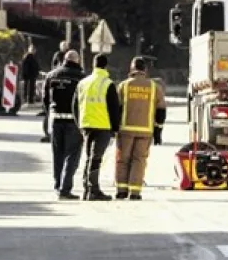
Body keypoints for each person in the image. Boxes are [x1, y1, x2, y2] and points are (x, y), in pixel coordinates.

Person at [114, 57, 167, 200]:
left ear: (132, 69)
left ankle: (121, 191)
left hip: (125, 130)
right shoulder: (154, 87)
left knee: (122, 160)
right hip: (145, 131)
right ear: (145, 70)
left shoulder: (123, 86)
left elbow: (116, 109)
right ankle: (135, 192)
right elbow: (161, 111)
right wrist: (158, 131)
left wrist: (114, 128)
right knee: (139, 160)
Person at [73, 53, 120, 201]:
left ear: (93, 65)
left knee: (89, 157)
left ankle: (87, 189)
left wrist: (79, 122)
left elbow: (74, 105)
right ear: (106, 66)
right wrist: (115, 128)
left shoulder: (83, 83)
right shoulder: (107, 83)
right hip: (102, 126)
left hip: (86, 125)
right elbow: (114, 108)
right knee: (96, 158)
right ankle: (93, 190)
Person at [43, 50, 86, 200]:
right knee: (72, 155)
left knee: (58, 154)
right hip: (73, 121)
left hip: (56, 120)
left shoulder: (51, 75)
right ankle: (65, 189)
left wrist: (50, 113)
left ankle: (57, 184)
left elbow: (45, 99)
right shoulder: (81, 78)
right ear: (77, 61)